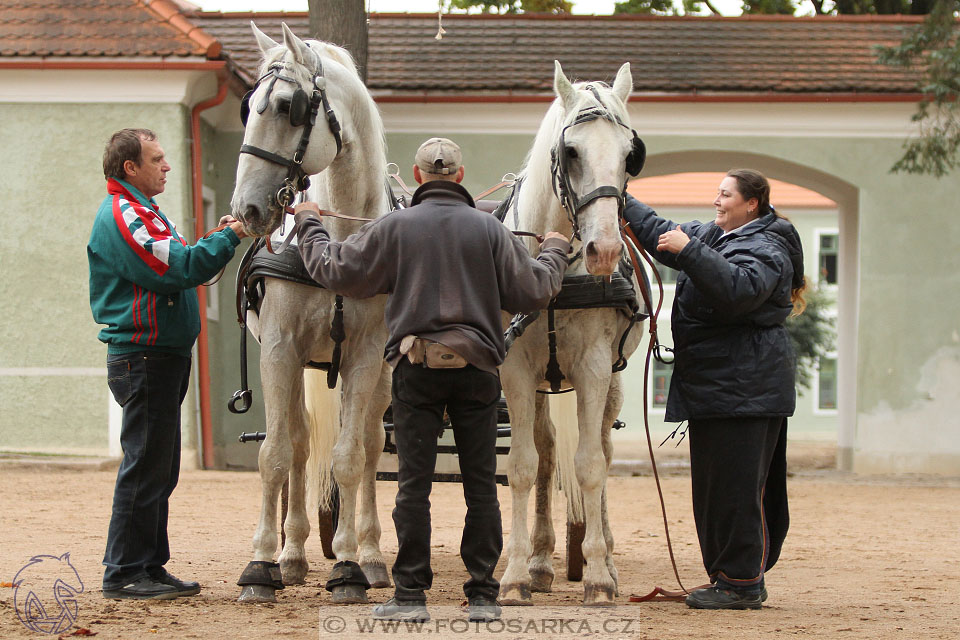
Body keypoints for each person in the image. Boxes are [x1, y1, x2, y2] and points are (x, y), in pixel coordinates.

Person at [293, 137, 570, 622]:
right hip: (479, 372)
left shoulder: (394, 226)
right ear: (460, 177)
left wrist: (310, 224)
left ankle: (410, 596)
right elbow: (535, 290)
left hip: (415, 371)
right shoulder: (490, 230)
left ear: (417, 178)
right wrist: (555, 252)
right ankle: (483, 595)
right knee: (481, 486)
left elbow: (334, 270)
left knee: (412, 486)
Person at [622, 168, 805, 610]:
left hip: (746, 391)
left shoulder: (768, 247)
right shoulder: (717, 236)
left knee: (738, 491)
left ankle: (742, 583)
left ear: (751, 204)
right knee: (715, 490)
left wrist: (689, 253)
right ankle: (727, 577)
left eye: (726, 195)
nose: (717, 200)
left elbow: (738, 290)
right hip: (719, 389)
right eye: (717, 193)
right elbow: (660, 231)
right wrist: (617, 195)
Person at [88, 128, 246, 600]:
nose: (167, 166)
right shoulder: (126, 213)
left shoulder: (143, 212)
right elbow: (178, 269)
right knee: (144, 466)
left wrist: (218, 237)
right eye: (157, 159)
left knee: (159, 467)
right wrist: (232, 235)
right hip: (144, 357)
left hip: (159, 357)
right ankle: (123, 573)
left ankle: (149, 567)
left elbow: (181, 262)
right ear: (129, 168)